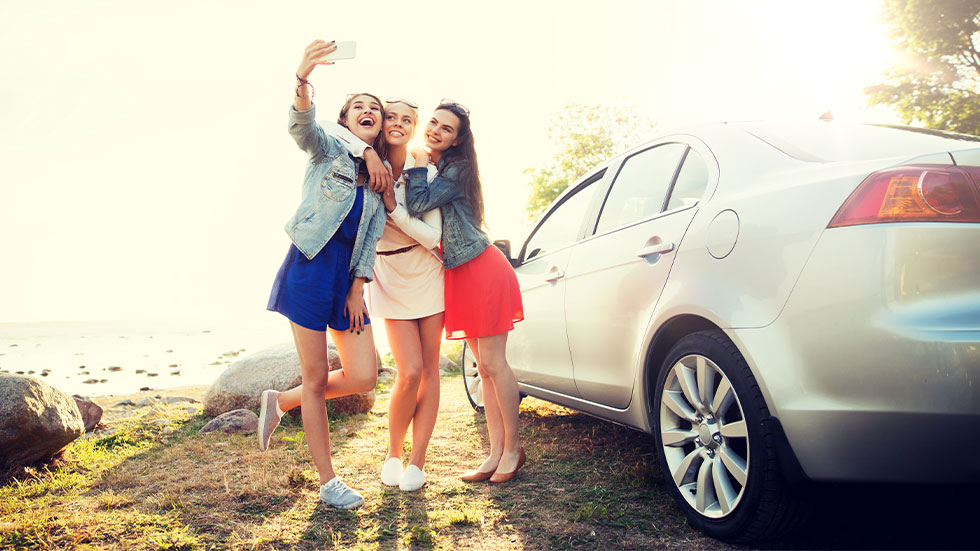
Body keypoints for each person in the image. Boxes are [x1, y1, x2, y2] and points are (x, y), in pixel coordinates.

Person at [260, 40, 390, 510]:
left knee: (363, 376)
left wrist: (358, 288)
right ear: (345, 118)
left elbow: (371, 236)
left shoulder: (380, 179)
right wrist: (302, 78)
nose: (368, 110)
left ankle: (281, 402)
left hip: (347, 281)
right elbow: (302, 126)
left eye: (375, 107)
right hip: (310, 267)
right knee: (316, 378)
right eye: (359, 105)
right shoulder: (327, 150)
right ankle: (329, 482)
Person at [404, 100, 526, 483]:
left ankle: (513, 449)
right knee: (483, 369)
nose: (435, 130)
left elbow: (419, 201)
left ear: (457, 141)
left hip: (483, 268)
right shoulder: (443, 167)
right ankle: (494, 452)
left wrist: (419, 163)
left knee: (493, 364)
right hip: (460, 273)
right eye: (434, 123)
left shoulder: (454, 169)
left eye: (446, 129)